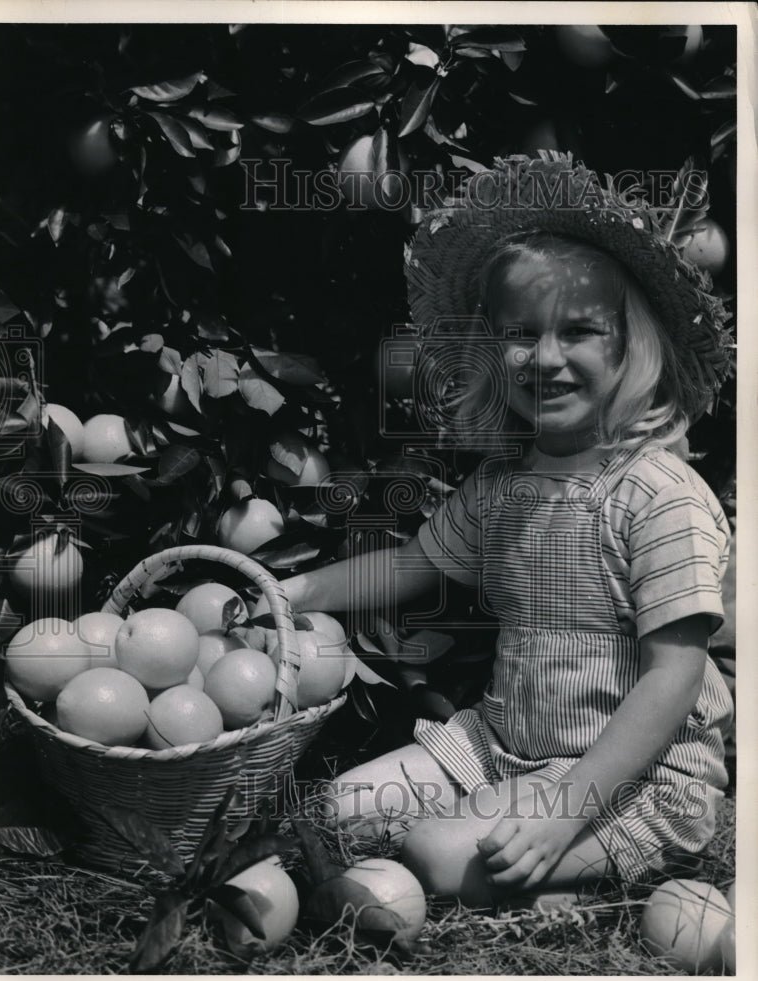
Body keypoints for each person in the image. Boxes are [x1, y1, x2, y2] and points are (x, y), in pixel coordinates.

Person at [256, 153, 735, 906]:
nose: (545, 357)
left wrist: (565, 810)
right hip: (499, 747)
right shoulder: (502, 487)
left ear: (631, 346)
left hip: (633, 775)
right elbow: (413, 562)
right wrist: (287, 591)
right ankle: (533, 861)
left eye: (579, 330)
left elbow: (672, 678)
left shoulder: (658, 496)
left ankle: (580, 869)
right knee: (332, 810)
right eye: (521, 333)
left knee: (437, 852)